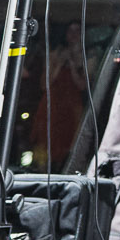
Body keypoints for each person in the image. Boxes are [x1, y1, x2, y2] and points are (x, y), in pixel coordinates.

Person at [32, 20, 90, 170]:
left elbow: (82, 86)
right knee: (48, 140)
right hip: (53, 105)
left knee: (71, 139)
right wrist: (59, 63)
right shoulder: (54, 55)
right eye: (71, 31)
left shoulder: (88, 57)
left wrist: (72, 65)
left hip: (73, 107)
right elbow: (44, 84)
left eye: (77, 31)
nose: (74, 35)